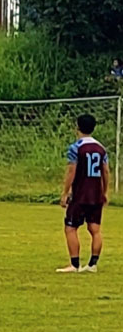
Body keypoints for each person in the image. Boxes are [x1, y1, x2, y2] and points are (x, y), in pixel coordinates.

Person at [56, 114, 109, 273]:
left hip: (80, 194)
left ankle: (74, 264)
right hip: (96, 194)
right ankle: (93, 264)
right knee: (95, 229)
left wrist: (65, 192)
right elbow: (105, 172)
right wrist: (104, 191)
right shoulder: (101, 148)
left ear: (77, 127)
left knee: (70, 228)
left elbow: (72, 171)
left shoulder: (76, 147)